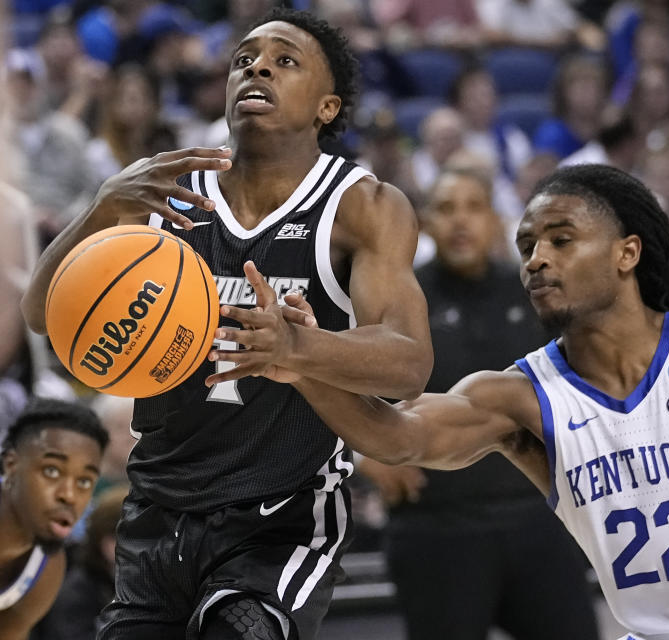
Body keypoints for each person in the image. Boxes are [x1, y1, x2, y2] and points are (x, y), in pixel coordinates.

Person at [223, 164, 669, 639]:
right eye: (528, 244)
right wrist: (300, 361)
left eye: (561, 239)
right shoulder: (520, 397)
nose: (536, 257)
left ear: (628, 253)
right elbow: (400, 436)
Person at [20, 8, 432, 640]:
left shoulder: (360, 205)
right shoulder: (165, 190)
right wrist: (102, 208)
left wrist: (301, 346)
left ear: (328, 106)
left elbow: (408, 363)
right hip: (157, 512)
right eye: (244, 58)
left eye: (284, 60)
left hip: (278, 515)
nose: (257, 66)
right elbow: (42, 315)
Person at [357, 166, 599, 640]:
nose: (461, 222)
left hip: (537, 518)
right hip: (434, 528)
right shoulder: (398, 298)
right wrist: (360, 454)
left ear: (496, 221)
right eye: (446, 209)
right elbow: (332, 383)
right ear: (424, 223)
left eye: (474, 207)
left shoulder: (537, 295)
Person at [0, 398, 107, 640]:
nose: (69, 495)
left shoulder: (45, 567)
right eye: (51, 471)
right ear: (11, 465)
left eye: (84, 481)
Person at [32, 485, 128, 640]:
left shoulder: (133, 582)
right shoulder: (77, 592)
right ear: (101, 540)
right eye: (119, 538)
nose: (129, 547)